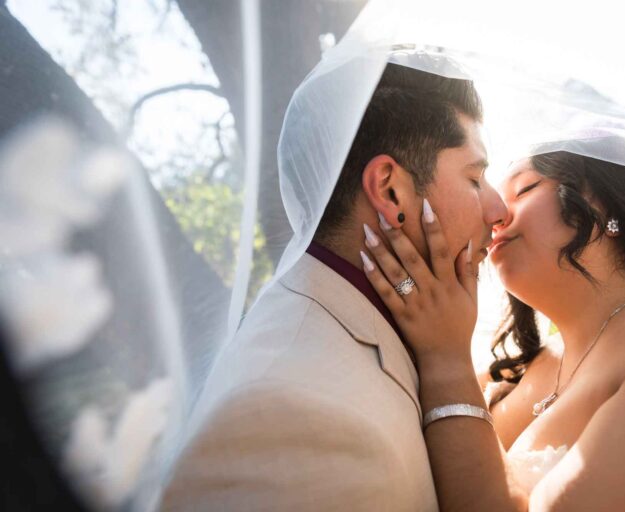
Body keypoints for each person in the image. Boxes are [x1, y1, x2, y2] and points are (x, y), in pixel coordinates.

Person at [160, 61, 506, 510]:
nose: (500, 212)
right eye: (475, 179)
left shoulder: (385, 326)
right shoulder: (285, 421)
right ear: (390, 191)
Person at [362, 140, 625, 510]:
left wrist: (446, 357)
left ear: (603, 201)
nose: (497, 216)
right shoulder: (508, 376)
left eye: (523, 190)